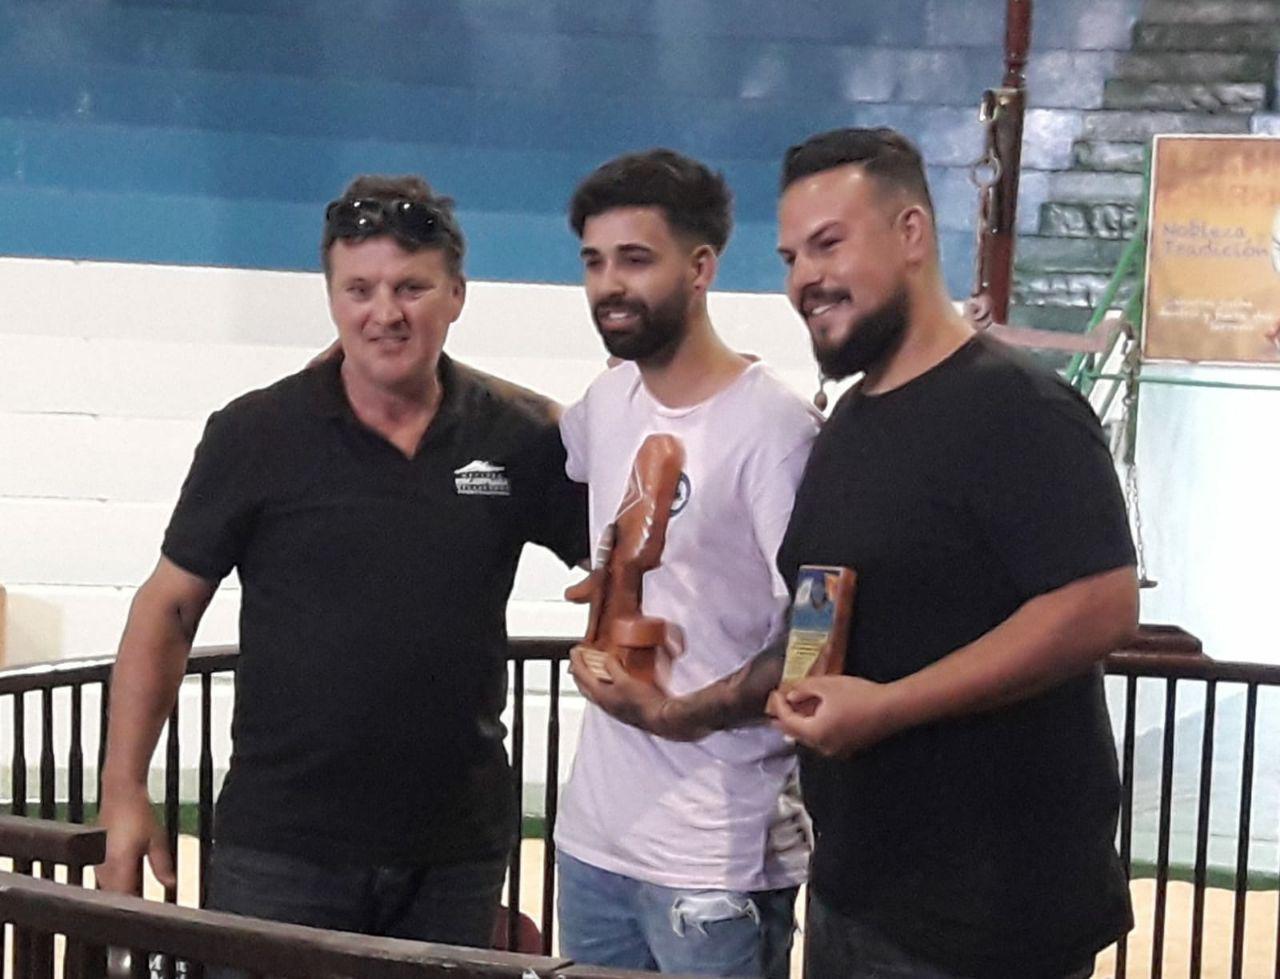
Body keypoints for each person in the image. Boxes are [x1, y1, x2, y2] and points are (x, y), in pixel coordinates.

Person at [96, 175, 588, 952]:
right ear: (331, 298)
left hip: (454, 854)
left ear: (457, 295)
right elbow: (168, 608)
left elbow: (626, 559)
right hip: (282, 853)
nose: (384, 312)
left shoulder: (518, 438)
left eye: (411, 287)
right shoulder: (255, 433)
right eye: (360, 288)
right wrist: (123, 789)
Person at [768, 127, 1138, 978]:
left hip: (988, 924)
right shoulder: (851, 423)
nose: (803, 279)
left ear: (911, 234)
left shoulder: (1018, 409)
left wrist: (890, 706)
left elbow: (1099, 605)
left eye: (828, 244)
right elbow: (833, 605)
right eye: (791, 257)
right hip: (855, 894)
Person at [554, 149, 820, 979]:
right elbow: (543, 428)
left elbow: (814, 633)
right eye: (594, 262)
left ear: (700, 268)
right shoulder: (607, 403)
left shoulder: (775, 430)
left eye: (635, 259)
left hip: (717, 856)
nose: (609, 285)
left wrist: (677, 714)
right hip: (593, 845)